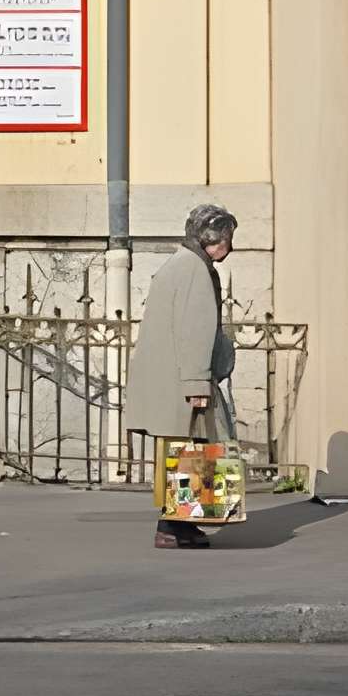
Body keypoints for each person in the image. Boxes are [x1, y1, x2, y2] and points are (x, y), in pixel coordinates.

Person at [122, 202, 238, 548]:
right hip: (185, 380)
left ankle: (185, 523)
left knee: (185, 450)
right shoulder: (196, 271)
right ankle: (172, 526)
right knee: (198, 450)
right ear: (214, 238)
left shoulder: (178, 264)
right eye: (227, 237)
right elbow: (196, 331)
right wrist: (197, 382)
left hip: (170, 379)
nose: (229, 245)